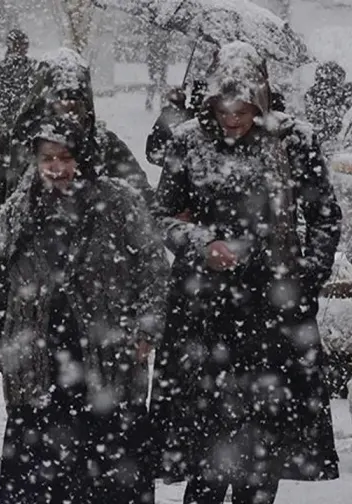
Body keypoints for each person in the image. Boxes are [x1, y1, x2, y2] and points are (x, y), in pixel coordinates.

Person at [151, 41, 342, 504]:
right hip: (203, 310)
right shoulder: (189, 141)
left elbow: (324, 217)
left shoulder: (293, 139)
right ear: (211, 100)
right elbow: (160, 216)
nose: (232, 118)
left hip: (273, 313)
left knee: (263, 452)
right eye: (223, 107)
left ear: (260, 99)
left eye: (242, 108)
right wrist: (202, 243)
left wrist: (304, 281)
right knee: (205, 451)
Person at [0, 116, 168, 503]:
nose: (57, 168)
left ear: (85, 157)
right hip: (36, 359)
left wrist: (147, 325)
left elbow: (153, 264)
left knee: (108, 472)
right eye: (48, 158)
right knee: (39, 477)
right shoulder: (18, 210)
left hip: (107, 357)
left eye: (66, 157)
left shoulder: (118, 201)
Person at [0, 47, 154, 409]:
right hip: (33, 318)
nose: (69, 110)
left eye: (77, 102)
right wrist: (8, 264)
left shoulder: (107, 148)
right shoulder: (14, 148)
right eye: (60, 100)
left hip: (100, 318)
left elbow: (146, 218)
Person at [0, 29, 37, 141]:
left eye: (25, 44)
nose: (23, 48)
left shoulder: (33, 67)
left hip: (22, 127)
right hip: (14, 128)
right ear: (11, 45)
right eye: (20, 44)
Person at [305, 61, 352, 150]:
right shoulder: (312, 95)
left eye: (333, 84)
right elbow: (314, 122)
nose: (328, 89)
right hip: (323, 143)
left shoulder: (343, 94)